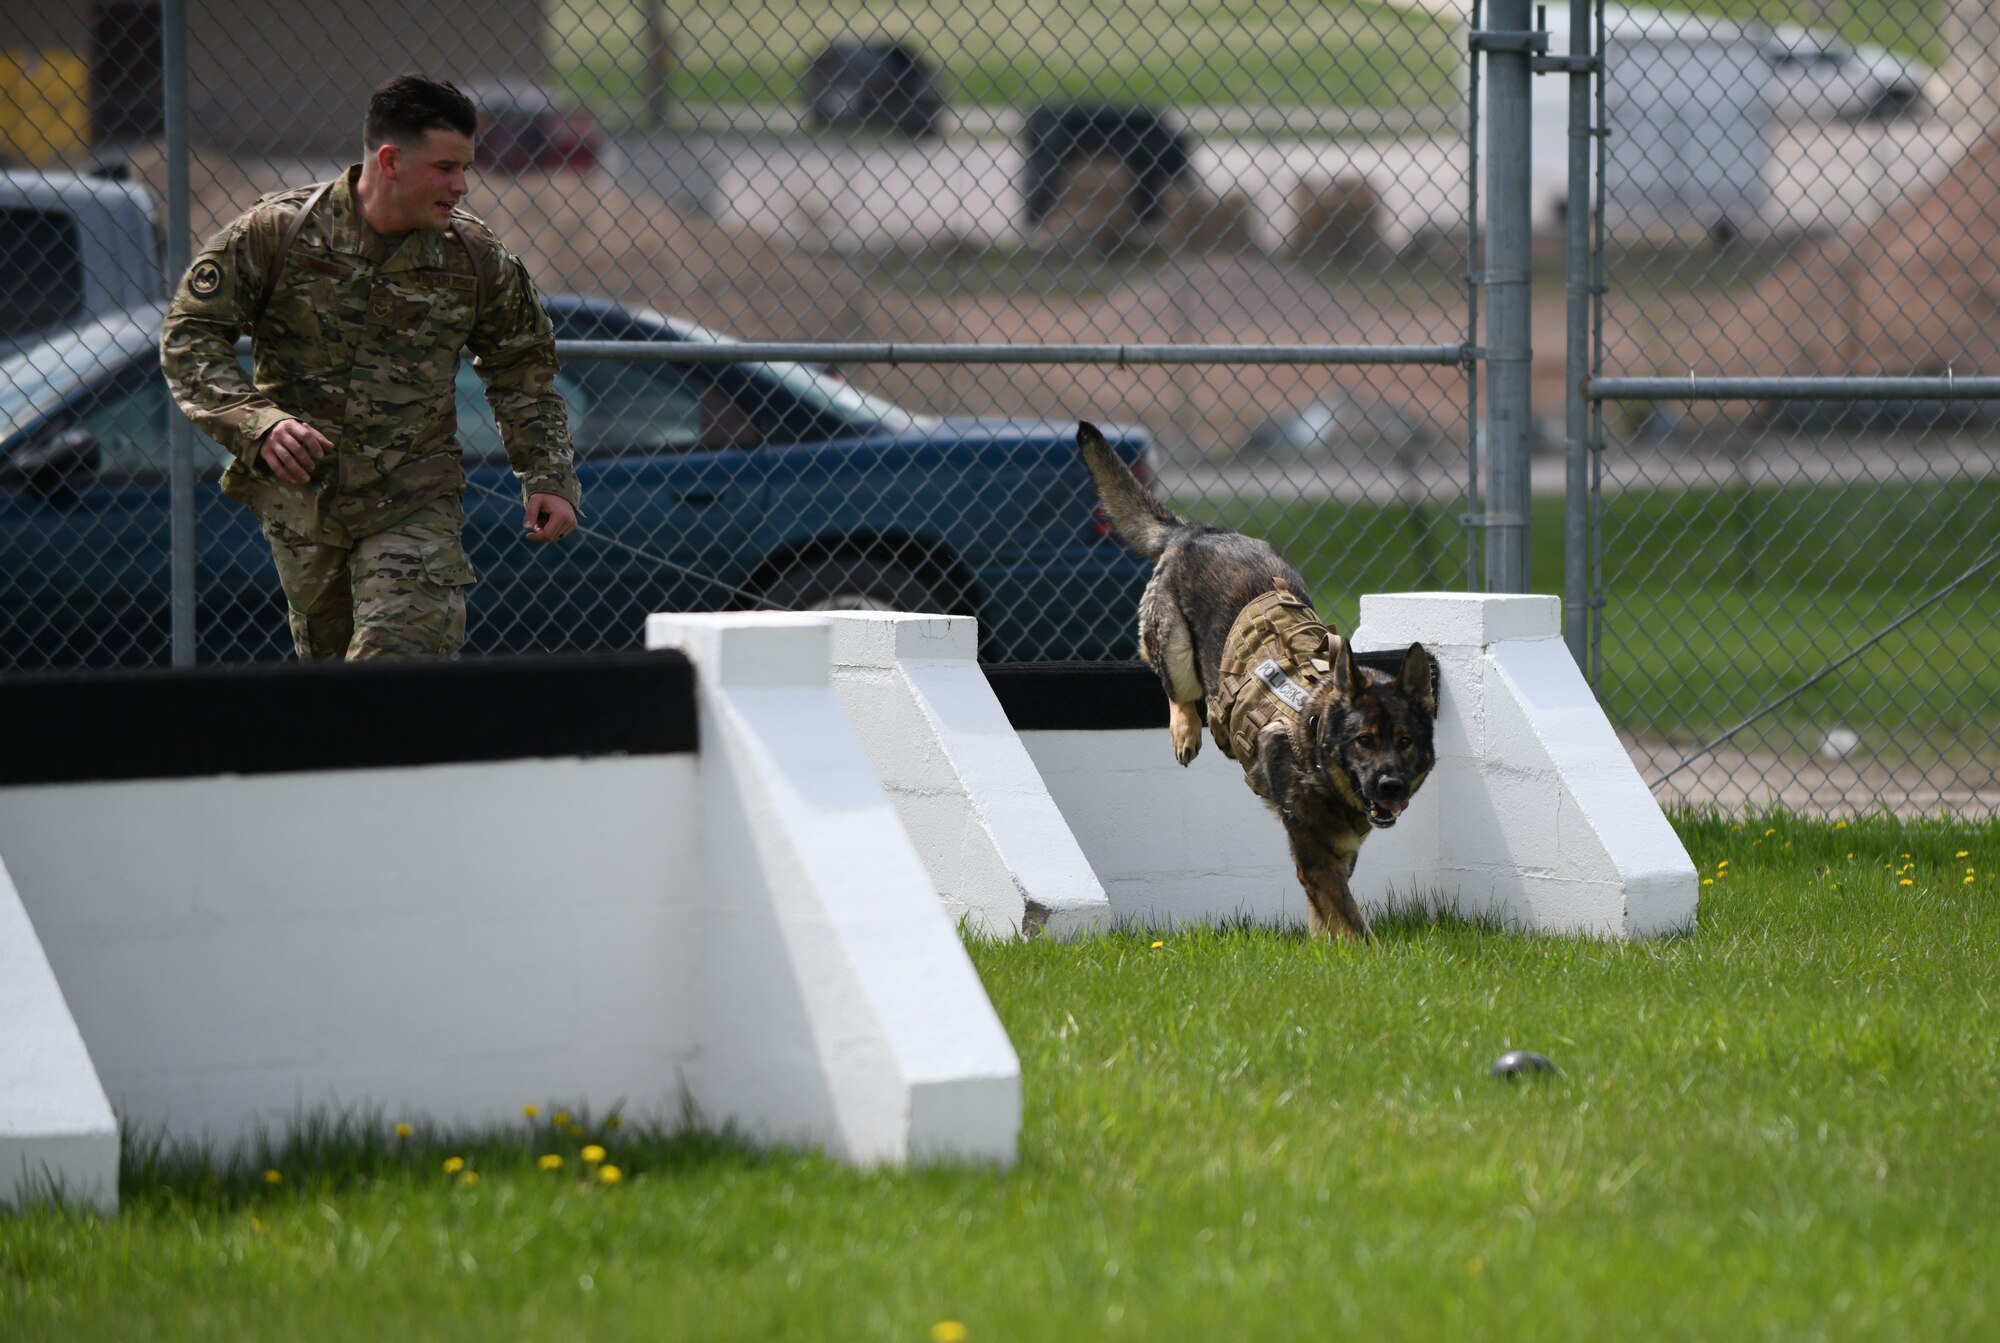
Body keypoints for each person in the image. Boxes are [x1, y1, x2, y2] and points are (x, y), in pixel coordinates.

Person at [161, 73, 580, 660]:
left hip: (415, 498)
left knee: (396, 659)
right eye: (445, 168)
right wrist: (255, 424)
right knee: (340, 700)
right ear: (390, 160)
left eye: (466, 168)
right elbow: (191, 335)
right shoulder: (277, 234)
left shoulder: (475, 258)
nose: (462, 185)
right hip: (305, 506)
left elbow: (522, 368)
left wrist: (549, 477)